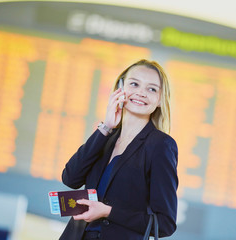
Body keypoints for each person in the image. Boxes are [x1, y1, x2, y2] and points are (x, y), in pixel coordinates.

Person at [59, 59, 178, 240]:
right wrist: (105, 127)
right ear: (120, 89)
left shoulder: (161, 145)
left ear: (160, 100)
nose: (141, 93)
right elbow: (70, 178)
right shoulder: (106, 137)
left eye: (151, 89)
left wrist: (108, 212)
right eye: (134, 84)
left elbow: (165, 224)